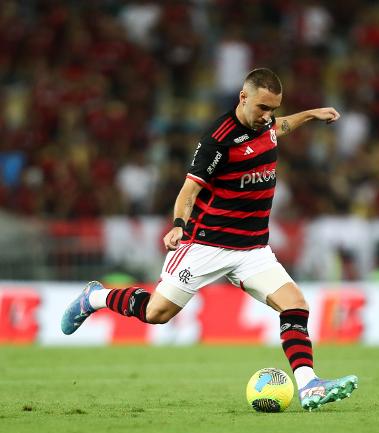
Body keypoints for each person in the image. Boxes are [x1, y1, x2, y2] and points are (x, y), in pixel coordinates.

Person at [61, 68, 358, 411]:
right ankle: (95, 297)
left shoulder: (266, 126)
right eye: (263, 107)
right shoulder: (219, 140)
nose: (268, 116)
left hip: (252, 249)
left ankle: (309, 385)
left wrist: (311, 114)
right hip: (205, 245)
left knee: (295, 305)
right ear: (243, 98)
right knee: (157, 313)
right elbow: (189, 191)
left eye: (273, 108)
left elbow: (281, 127)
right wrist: (177, 225)